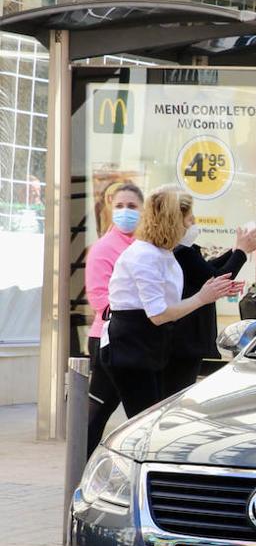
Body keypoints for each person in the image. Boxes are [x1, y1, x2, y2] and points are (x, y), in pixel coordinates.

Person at [100, 186, 241, 419]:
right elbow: (158, 314)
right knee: (144, 421)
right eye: (188, 220)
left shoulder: (161, 253)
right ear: (175, 221)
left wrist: (214, 290)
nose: (192, 225)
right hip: (131, 347)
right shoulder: (145, 255)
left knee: (152, 419)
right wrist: (202, 297)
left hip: (149, 346)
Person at [164, 221, 256, 396]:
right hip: (185, 337)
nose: (192, 224)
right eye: (188, 219)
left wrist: (236, 251)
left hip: (186, 337)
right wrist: (240, 252)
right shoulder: (181, 252)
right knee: (175, 392)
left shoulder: (185, 251)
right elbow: (217, 276)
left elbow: (210, 269)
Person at [85, 182, 143, 455]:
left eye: (132, 206)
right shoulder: (103, 248)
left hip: (137, 341)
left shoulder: (145, 246)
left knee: (139, 413)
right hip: (108, 339)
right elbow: (99, 299)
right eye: (119, 206)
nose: (125, 212)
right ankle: (80, 466)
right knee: (96, 414)